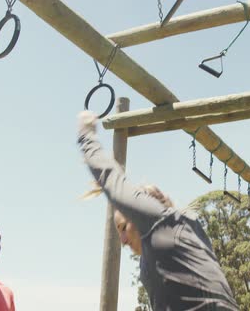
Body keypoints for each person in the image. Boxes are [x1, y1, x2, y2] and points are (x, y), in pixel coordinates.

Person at [77, 111, 239, 310]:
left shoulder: (159, 220)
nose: (123, 241)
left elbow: (113, 182)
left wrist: (87, 135)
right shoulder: (178, 236)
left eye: (123, 227)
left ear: (139, 211)